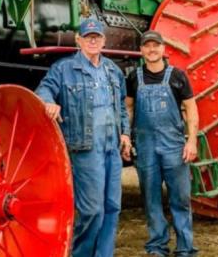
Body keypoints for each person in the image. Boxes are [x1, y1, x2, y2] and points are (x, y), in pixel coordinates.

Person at [35, 18, 132, 257]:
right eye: (88, 37)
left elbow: (120, 104)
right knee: (92, 210)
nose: (93, 41)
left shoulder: (112, 70)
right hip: (85, 148)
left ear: (104, 41)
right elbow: (44, 89)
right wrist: (49, 102)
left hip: (112, 146)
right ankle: (81, 253)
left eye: (97, 37)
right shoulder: (64, 68)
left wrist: (126, 134)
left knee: (112, 207)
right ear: (78, 40)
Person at [126, 30, 199, 257]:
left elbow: (191, 109)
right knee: (151, 199)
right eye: (147, 46)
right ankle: (157, 246)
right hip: (145, 147)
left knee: (180, 199)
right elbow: (128, 107)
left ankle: (185, 248)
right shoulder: (134, 78)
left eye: (155, 46)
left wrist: (191, 142)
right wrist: (126, 136)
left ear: (163, 49)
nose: (151, 50)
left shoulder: (178, 76)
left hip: (174, 147)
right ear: (141, 51)